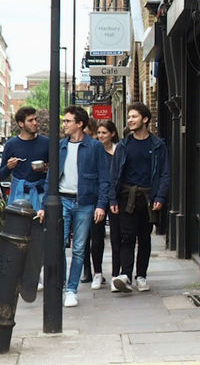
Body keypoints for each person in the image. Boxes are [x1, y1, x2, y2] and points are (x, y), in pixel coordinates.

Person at [103, 103, 170, 293]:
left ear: (145, 119)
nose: (130, 120)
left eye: (134, 116)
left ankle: (141, 276)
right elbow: (114, 174)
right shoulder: (124, 145)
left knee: (145, 237)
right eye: (129, 117)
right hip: (126, 197)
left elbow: (165, 173)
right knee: (127, 236)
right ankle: (125, 275)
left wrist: (161, 196)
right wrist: (113, 199)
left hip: (149, 197)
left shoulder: (157, 145)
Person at [50, 106, 106, 308]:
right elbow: (51, 177)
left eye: (67, 121)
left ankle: (72, 290)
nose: (64, 124)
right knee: (58, 246)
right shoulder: (60, 146)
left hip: (85, 203)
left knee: (80, 248)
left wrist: (101, 205)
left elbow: (104, 179)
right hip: (62, 201)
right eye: (64, 121)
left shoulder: (94, 147)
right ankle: (63, 285)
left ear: (80, 124)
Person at [82, 118, 119, 289]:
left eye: (104, 133)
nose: (101, 136)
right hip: (98, 199)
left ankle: (116, 275)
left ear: (112, 134)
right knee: (96, 238)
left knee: (117, 238)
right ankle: (97, 273)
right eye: (99, 133)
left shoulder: (120, 151)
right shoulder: (95, 151)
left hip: (117, 199)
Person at [0, 106, 50, 212]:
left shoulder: (46, 143)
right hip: (19, 194)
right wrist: (9, 166)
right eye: (30, 120)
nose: (35, 123)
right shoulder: (11, 145)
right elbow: (1, 175)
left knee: (39, 226)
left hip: (40, 194)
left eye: (36, 119)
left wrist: (45, 169)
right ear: (21, 124)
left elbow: (56, 169)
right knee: (19, 226)